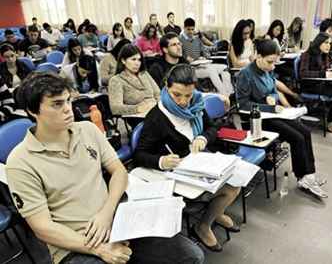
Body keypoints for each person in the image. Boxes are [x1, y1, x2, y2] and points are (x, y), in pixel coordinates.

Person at [6, 72, 205, 264]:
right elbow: (42, 228)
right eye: (57, 104)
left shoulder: (88, 130)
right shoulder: (20, 162)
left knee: (191, 256)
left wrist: (107, 212)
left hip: (116, 220)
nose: (68, 109)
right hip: (75, 242)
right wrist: (99, 249)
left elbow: (118, 171)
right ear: (33, 111)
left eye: (68, 100)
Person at [133, 64, 240, 251]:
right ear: (167, 87)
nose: (183, 101)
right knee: (229, 189)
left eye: (188, 95)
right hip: (176, 172)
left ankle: (215, 213)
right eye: (177, 95)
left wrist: (203, 137)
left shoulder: (196, 104)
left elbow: (212, 127)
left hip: (198, 162)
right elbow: (139, 155)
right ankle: (203, 225)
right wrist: (161, 161)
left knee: (235, 184)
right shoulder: (157, 117)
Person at [236, 39, 328, 198]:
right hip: (257, 120)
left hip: (273, 114)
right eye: (270, 62)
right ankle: (302, 177)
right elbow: (243, 105)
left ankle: (309, 175)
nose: (272, 66)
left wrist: (272, 98)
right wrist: (269, 107)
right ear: (258, 56)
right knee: (296, 137)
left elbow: (272, 90)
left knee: (305, 132)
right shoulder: (245, 75)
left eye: (274, 63)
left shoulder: (268, 70)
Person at [148, 33, 231, 109]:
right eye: (174, 45)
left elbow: (196, 86)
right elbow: (161, 95)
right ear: (165, 50)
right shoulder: (157, 68)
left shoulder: (184, 62)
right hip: (175, 104)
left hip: (192, 98)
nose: (179, 47)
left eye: (179, 44)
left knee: (221, 100)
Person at [108, 44, 160, 127]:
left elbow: (158, 93)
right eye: (133, 59)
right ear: (123, 61)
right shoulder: (116, 80)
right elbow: (115, 108)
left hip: (156, 110)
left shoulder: (144, 74)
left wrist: (159, 105)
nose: (137, 63)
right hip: (139, 117)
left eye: (139, 60)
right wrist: (137, 108)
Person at [180, 18, 233, 96]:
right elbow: (179, 56)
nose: (191, 32)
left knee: (224, 68)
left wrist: (205, 57)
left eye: (192, 29)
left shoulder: (197, 38)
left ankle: (229, 93)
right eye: (188, 29)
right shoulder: (179, 40)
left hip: (202, 65)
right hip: (190, 69)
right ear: (184, 28)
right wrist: (185, 58)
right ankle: (225, 95)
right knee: (211, 70)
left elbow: (204, 51)